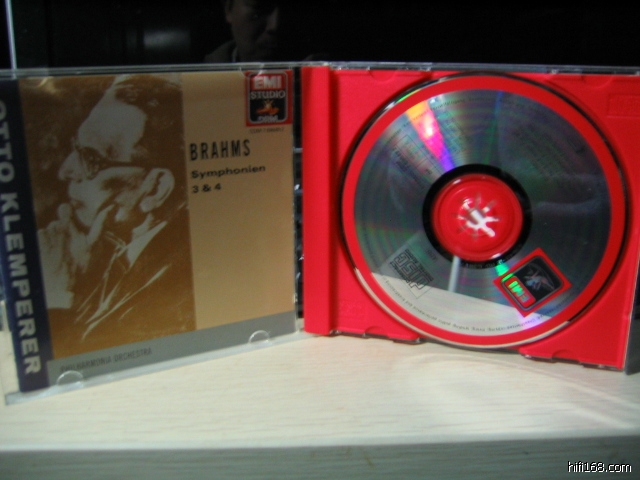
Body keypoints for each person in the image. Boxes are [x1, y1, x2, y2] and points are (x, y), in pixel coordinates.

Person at [35, 74, 196, 358]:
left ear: (155, 188)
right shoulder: (102, 253)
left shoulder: (178, 283)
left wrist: (57, 295)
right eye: (75, 148)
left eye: (90, 158)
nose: (65, 170)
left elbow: (79, 358)